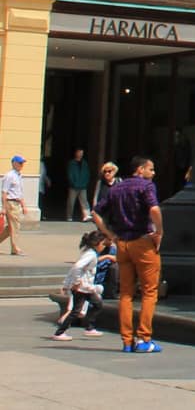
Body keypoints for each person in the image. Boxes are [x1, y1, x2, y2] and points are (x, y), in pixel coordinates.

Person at [91, 155, 164, 352]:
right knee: (149, 291)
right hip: (142, 241)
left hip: (122, 243)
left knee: (126, 293)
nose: (153, 173)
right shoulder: (145, 186)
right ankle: (144, 339)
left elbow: (95, 212)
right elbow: (155, 209)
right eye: (151, 169)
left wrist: (109, 234)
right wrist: (159, 232)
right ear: (140, 170)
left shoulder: (116, 188)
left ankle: (126, 340)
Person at [50, 230, 111, 341]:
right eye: (103, 244)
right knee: (76, 311)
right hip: (82, 288)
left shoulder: (88, 252)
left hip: (84, 288)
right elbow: (77, 267)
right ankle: (60, 333)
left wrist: (68, 283)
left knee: (97, 304)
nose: (103, 247)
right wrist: (76, 282)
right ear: (97, 243)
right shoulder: (91, 254)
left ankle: (89, 328)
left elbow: (75, 267)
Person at [1, 155, 25, 256]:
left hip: (17, 203)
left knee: (10, 227)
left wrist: (23, 205)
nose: (21, 165)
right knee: (15, 226)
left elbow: (19, 192)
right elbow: (4, 192)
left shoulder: (18, 175)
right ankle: (15, 248)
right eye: (20, 163)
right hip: (10, 203)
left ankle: (14, 247)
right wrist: (3, 207)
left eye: (22, 163)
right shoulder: (9, 176)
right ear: (14, 163)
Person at [65, 149, 91, 223]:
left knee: (84, 201)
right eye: (79, 153)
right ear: (76, 153)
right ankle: (69, 217)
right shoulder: (71, 163)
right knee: (71, 202)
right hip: (73, 186)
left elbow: (87, 174)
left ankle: (86, 215)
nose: (80, 154)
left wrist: (86, 182)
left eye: (82, 153)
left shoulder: (84, 163)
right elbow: (70, 174)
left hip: (83, 186)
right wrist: (72, 183)